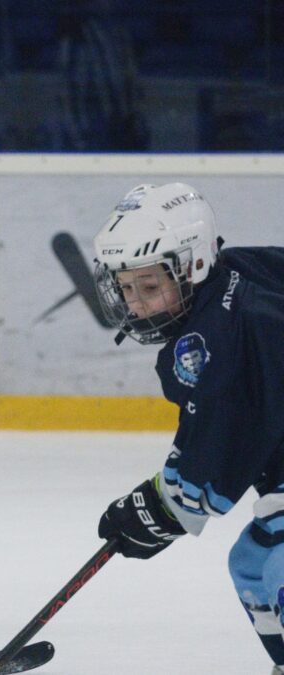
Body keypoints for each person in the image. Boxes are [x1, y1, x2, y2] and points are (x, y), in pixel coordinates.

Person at [91, 182, 284, 671]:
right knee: (255, 563)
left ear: (194, 265)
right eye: (127, 288)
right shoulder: (238, 272)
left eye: (151, 287)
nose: (135, 306)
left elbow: (211, 469)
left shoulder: (213, 338)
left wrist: (157, 507)